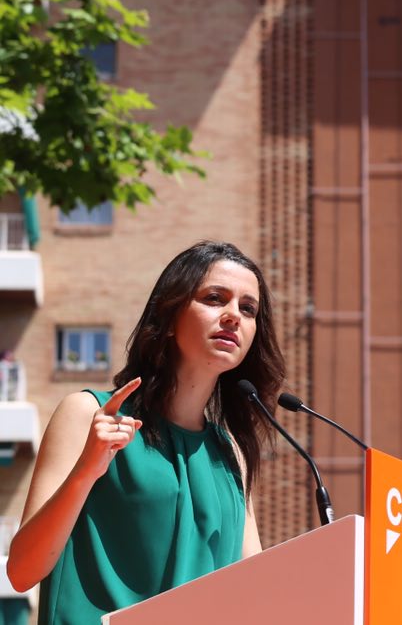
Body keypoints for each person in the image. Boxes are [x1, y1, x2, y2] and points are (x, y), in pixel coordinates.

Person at [5, 242, 286, 624]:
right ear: (169, 318)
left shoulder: (230, 452)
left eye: (248, 308)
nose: (233, 316)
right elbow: (21, 571)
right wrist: (87, 470)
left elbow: (255, 591)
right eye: (215, 298)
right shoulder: (88, 414)